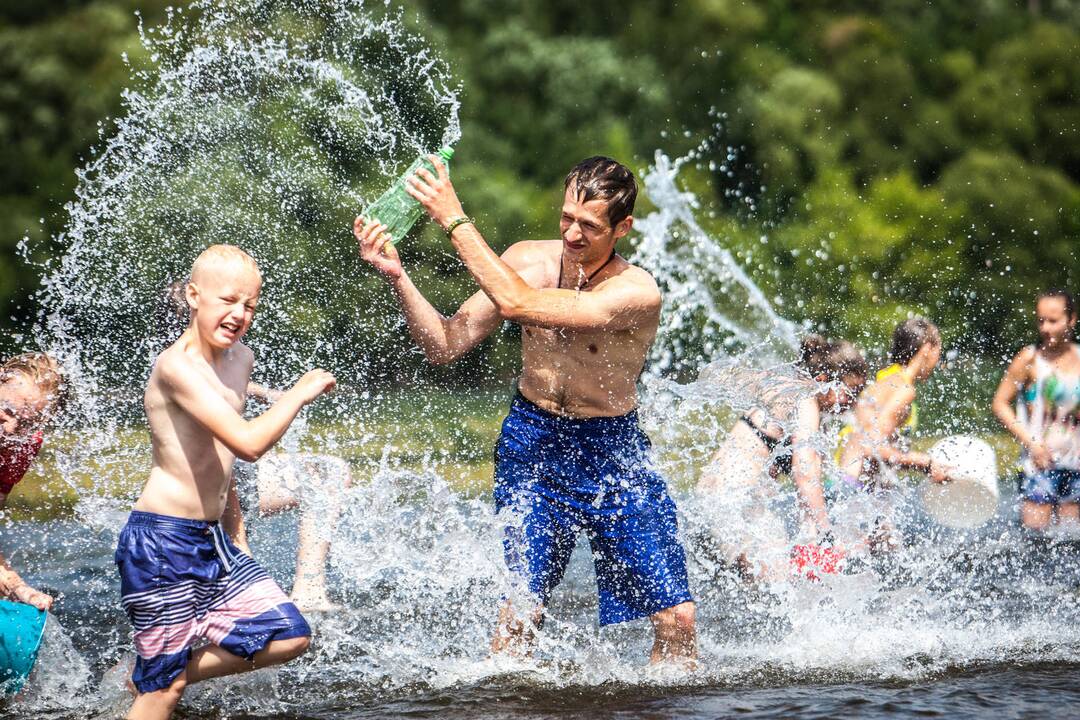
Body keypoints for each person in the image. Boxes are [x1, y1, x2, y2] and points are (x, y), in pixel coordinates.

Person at [354, 156, 696, 664]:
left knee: (677, 617)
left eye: (590, 226)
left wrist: (451, 215)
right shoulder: (530, 260)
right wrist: (398, 277)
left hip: (612, 452)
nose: (573, 235)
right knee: (521, 609)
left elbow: (517, 303)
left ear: (622, 228)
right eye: (567, 218)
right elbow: (445, 344)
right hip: (533, 444)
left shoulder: (635, 292)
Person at [116, 245, 335, 719]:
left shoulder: (240, 360)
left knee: (290, 633)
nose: (239, 314)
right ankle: (158, 678)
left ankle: (156, 671)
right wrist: (296, 394)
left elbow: (221, 464)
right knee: (164, 693)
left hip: (210, 542)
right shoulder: (176, 368)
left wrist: (237, 536)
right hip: (161, 543)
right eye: (228, 300)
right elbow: (247, 445)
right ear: (194, 296)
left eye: (250, 305)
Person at [162, 280, 352, 611]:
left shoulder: (207, 362)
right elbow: (229, 459)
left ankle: (309, 589)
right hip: (193, 509)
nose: (237, 319)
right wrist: (241, 547)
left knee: (326, 473)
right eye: (225, 310)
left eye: (244, 309)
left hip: (228, 487)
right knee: (178, 633)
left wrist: (266, 393)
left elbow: (229, 388)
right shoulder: (180, 370)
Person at [696, 336, 868, 580]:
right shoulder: (805, 402)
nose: (854, 402)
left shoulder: (786, 390)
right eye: (851, 392)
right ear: (823, 381)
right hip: (737, 511)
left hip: (709, 502)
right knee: (781, 592)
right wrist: (826, 533)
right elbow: (805, 474)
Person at [835, 318, 951, 549]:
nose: (939, 359)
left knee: (885, 548)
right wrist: (925, 463)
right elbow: (870, 447)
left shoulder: (887, 378)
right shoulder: (903, 390)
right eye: (939, 350)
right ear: (927, 348)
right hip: (854, 486)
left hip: (847, 481)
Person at [992, 288, 1080, 532]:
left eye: (1053, 321)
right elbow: (1000, 404)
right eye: (1041, 320)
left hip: (1076, 467)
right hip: (1038, 467)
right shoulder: (1029, 359)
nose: (1045, 328)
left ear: (1071, 319)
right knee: (1035, 544)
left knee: (1069, 546)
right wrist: (1031, 443)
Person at [0, 353, 66, 610]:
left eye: (27, 422)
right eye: (7, 411)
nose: (12, 429)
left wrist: (16, 587)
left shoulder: (22, 446)